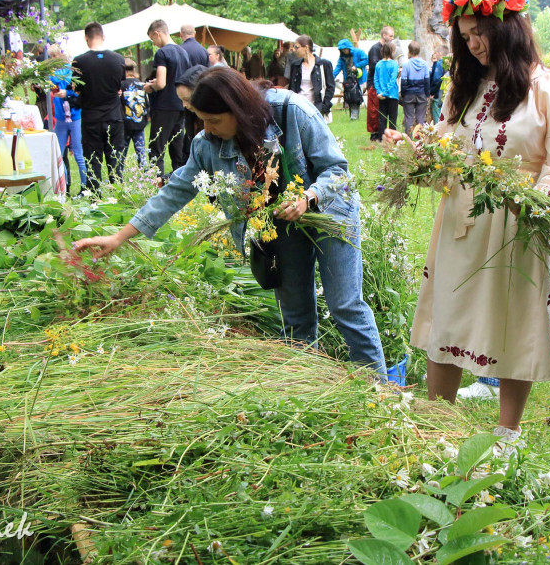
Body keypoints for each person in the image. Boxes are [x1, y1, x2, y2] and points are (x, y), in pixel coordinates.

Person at [385, 0, 550, 446]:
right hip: (461, 222)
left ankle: (508, 431)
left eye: (479, 32)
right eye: (465, 35)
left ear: (507, 28)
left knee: (516, 319)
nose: (473, 44)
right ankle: (438, 421)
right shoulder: (465, 87)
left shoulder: (545, 87)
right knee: (448, 313)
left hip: (520, 223)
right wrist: (418, 156)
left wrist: (541, 196)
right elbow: (446, 146)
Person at [74, 66, 386, 373]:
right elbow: (174, 192)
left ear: (238, 109)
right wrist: (119, 237)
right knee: (295, 316)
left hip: (330, 211)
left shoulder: (292, 111)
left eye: (213, 120)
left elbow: (338, 172)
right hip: (279, 225)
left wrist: (308, 197)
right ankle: (307, 386)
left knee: (345, 305)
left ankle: (380, 390)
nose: (207, 129)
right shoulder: (206, 145)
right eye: (202, 120)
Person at [72, 22, 125, 189]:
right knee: (115, 161)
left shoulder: (79, 62)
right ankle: (118, 195)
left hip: (91, 118)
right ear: (103, 37)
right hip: (114, 116)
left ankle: (94, 197)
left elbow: (77, 90)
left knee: (92, 160)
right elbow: (119, 87)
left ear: (86, 38)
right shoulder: (118, 59)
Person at [144, 19, 192, 174]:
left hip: (164, 105)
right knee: (177, 148)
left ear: (157, 33)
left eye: (153, 39)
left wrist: (150, 86)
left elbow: (162, 83)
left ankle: (156, 181)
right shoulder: (183, 52)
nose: (154, 43)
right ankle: (179, 178)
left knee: (156, 148)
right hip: (180, 105)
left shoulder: (162, 53)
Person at [47, 45, 86, 193]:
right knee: (58, 153)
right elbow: (51, 80)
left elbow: (78, 91)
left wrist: (67, 92)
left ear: (62, 55)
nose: (52, 60)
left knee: (78, 153)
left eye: (54, 56)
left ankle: (85, 187)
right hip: (61, 118)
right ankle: (63, 186)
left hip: (75, 116)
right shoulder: (53, 73)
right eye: (50, 57)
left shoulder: (71, 70)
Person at [285, 35, 335, 121]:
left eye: (296, 47)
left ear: (306, 47)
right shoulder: (295, 65)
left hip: (316, 107)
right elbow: (292, 87)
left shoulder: (323, 64)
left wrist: (325, 105)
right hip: (299, 107)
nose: (294, 49)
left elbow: (330, 86)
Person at [366, 26, 395, 144]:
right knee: (374, 111)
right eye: (391, 36)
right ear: (384, 35)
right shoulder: (375, 49)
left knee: (383, 111)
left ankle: (383, 134)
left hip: (386, 86)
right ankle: (375, 135)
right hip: (375, 84)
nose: (392, 38)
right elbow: (374, 66)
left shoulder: (389, 50)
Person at [121, 57, 150, 170]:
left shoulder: (121, 85)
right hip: (139, 122)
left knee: (122, 151)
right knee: (141, 151)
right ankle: (145, 172)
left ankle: (118, 172)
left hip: (125, 123)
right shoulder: (141, 84)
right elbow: (147, 103)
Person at [332, 38, 368, 121]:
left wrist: (357, 66)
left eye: (345, 49)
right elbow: (338, 67)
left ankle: (355, 117)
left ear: (349, 47)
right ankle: (353, 116)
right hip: (348, 81)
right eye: (342, 50)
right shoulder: (342, 57)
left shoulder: (358, 52)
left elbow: (367, 60)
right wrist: (332, 76)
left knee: (356, 98)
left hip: (360, 80)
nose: (344, 51)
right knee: (350, 98)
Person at [400, 41, 431, 135]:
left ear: (409, 51)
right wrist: (427, 94)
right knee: (420, 118)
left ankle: (409, 138)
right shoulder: (425, 64)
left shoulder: (406, 65)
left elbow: (403, 81)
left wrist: (404, 94)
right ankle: (420, 138)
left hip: (409, 94)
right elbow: (427, 81)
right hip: (421, 93)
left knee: (409, 117)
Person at [372, 40, 399, 142]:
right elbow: (392, 81)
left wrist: (379, 92)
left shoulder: (378, 64)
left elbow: (376, 79)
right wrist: (385, 92)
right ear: (392, 51)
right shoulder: (394, 64)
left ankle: (381, 138)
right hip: (392, 95)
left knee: (382, 118)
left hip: (381, 96)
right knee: (392, 119)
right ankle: (392, 139)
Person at [428, 46, 445, 124]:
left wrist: (431, 92)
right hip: (445, 95)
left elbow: (436, 79)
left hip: (438, 95)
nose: (435, 54)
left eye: (436, 53)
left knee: (437, 118)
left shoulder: (439, 63)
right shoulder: (449, 64)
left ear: (440, 53)